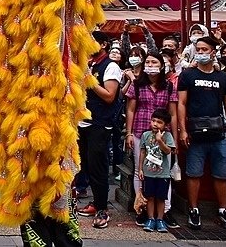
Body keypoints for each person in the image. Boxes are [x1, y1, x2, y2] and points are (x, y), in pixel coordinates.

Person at [177, 35, 226, 231]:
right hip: (195, 134)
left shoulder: (222, 77)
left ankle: (223, 210)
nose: (201, 53)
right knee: (193, 173)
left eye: (205, 49)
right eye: (199, 49)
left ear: (213, 52)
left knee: (221, 175)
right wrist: (183, 130)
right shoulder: (187, 75)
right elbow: (181, 103)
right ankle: (194, 210)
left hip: (219, 134)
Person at [125, 51, 179, 228]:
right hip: (141, 131)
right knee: (140, 171)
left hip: (164, 136)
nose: (150, 65)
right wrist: (129, 133)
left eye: (154, 62)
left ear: (162, 66)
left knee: (164, 172)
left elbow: (173, 112)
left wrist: (175, 139)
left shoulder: (169, 86)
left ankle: (164, 212)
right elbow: (131, 109)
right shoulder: (137, 84)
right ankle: (142, 208)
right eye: (147, 62)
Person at [77, 30, 122, 230]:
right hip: (83, 122)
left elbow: (109, 96)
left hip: (100, 124)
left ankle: (103, 208)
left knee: (98, 167)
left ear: (103, 44)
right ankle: (95, 203)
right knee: (85, 165)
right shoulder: (90, 64)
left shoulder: (110, 66)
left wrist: (89, 79)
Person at [137, 108, 176, 233]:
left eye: (159, 122)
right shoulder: (145, 135)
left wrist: (160, 140)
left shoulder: (167, 136)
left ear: (165, 125)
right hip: (148, 172)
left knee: (160, 197)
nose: (155, 124)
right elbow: (142, 152)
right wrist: (140, 169)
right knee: (149, 196)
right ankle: (150, 218)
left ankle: (160, 219)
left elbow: (168, 151)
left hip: (162, 173)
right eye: (153, 121)